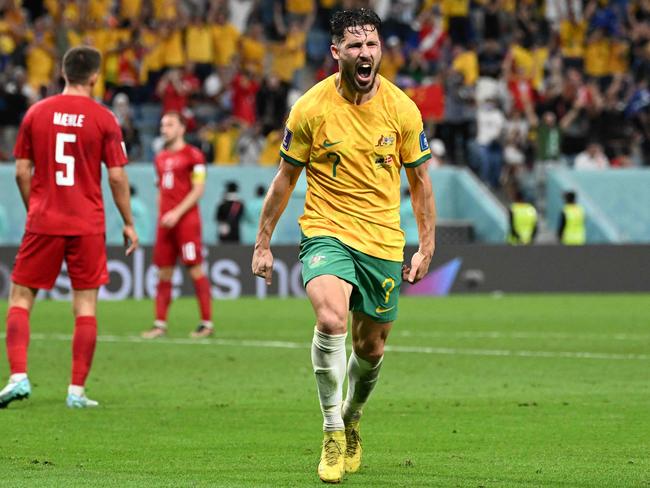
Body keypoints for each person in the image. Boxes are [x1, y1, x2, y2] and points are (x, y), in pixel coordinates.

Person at [251, 8, 436, 484]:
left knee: (370, 347)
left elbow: (419, 183)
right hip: (325, 230)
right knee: (330, 318)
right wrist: (263, 241)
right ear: (336, 52)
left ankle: (352, 416)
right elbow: (285, 178)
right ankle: (332, 429)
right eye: (355, 46)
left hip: (382, 240)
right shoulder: (310, 108)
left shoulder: (402, 109)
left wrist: (425, 246)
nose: (365, 53)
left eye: (371, 44)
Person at [0, 46, 139, 409]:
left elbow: (20, 170)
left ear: (63, 73)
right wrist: (128, 222)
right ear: (94, 76)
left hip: (43, 219)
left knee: (20, 298)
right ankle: (76, 390)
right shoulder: (104, 118)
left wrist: (37, 207)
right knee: (85, 305)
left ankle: (17, 376)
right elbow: (118, 176)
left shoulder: (36, 113)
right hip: (87, 222)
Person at [141, 112, 214, 339]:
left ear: (182, 128)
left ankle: (206, 323)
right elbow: (160, 190)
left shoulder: (194, 156)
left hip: (186, 222)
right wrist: (162, 214)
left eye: (170, 124)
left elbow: (198, 190)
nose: (164, 129)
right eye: (163, 124)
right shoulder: (159, 158)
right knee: (163, 273)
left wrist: (177, 212)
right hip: (166, 223)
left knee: (195, 269)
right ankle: (159, 324)